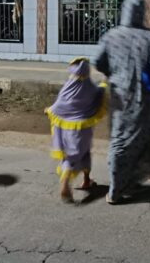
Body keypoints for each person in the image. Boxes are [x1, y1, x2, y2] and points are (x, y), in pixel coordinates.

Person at [94, 0, 150, 205]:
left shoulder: (111, 36)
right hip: (147, 99)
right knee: (141, 135)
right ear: (142, 13)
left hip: (120, 98)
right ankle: (118, 189)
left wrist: (114, 73)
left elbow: (98, 61)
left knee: (126, 137)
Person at [45, 57, 107, 203]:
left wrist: (48, 110)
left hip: (65, 131)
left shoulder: (68, 88)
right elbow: (100, 94)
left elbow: (58, 106)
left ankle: (67, 178)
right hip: (83, 130)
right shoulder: (91, 88)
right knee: (85, 153)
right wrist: (105, 82)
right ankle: (85, 180)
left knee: (69, 157)